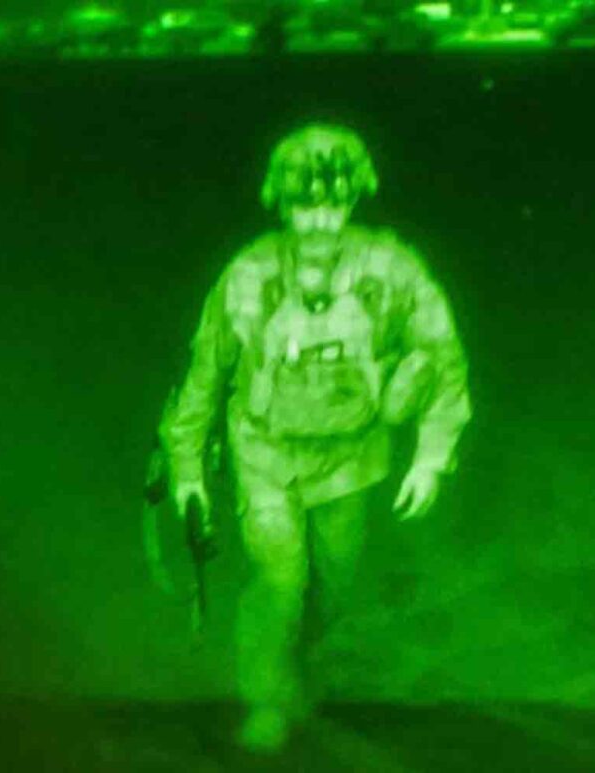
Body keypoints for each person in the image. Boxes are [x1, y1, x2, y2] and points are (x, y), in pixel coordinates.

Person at [159, 123, 472, 751]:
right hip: (265, 454)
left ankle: (301, 663)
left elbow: (441, 358)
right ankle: (268, 698)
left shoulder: (393, 270)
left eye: (333, 203)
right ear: (282, 203)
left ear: (353, 200)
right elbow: (205, 373)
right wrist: (187, 468)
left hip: (352, 459)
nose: (320, 220)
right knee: (281, 582)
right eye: (305, 205)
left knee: (331, 587)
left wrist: (431, 458)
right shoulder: (248, 276)